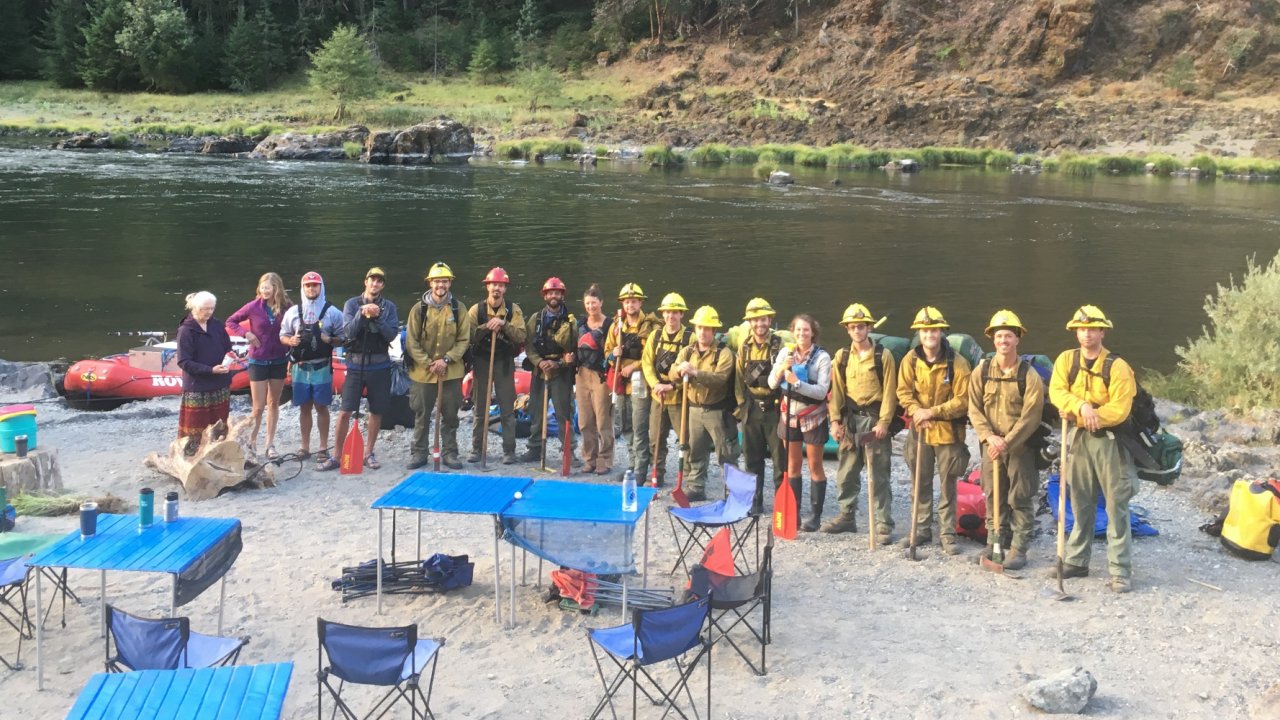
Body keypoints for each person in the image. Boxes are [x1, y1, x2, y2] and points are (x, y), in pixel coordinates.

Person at [1048, 305, 1137, 593]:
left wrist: (1090, 416)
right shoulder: (1065, 360)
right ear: (1076, 332)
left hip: (1110, 440)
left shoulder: (1118, 367)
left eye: (1092, 329)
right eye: (1081, 329)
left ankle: (1120, 570)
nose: (1086, 334)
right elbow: (1057, 391)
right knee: (1081, 499)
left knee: (1116, 504)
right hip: (1079, 438)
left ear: (1102, 331)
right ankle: (1076, 559)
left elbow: (1121, 409)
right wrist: (1081, 407)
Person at [968, 310, 1044, 570]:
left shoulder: (1029, 375)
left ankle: (1019, 548)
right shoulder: (982, 371)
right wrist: (989, 437)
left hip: (1020, 447)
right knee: (993, 494)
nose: (1004, 341)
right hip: (990, 446)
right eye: (999, 335)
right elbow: (974, 408)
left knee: (1020, 496)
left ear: (1017, 339)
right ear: (993, 339)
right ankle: (995, 540)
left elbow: (1030, 416)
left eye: (1009, 336)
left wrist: (1006, 441)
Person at [896, 306, 972, 555]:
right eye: (924, 330)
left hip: (948, 432)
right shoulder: (910, 360)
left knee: (948, 483)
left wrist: (933, 412)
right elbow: (903, 392)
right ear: (918, 332)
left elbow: (963, 399)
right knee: (920, 482)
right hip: (920, 430)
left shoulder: (957, 363)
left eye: (934, 329)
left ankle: (947, 533)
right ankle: (920, 529)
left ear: (941, 331)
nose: (929, 334)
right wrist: (917, 411)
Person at [824, 303, 899, 541]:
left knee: (878, 474)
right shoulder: (842, 356)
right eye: (853, 327)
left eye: (861, 326)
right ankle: (847, 516)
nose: (857, 331)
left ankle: (883, 523)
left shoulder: (883, 356)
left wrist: (885, 423)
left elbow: (890, 392)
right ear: (847, 329)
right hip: (850, 421)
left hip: (875, 420)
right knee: (846, 472)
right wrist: (835, 421)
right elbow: (836, 391)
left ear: (869, 327)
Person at [330, 267, 400, 471]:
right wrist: (362, 314)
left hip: (380, 365)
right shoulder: (351, 304)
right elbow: (349, 332)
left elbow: (391, 336)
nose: (375, 284)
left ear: (382, 285)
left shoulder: (389, 307)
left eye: (379, 281)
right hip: (355, 365)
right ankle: (337, 454)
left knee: (376, 411)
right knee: (345, 411)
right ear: (365, 282)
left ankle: (369, 452)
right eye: (372, 280)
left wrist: (377, 317)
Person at [405, 262, 472, 470]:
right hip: (423, 373)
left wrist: (446, 360)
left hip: (451, 372)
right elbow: (411, 342)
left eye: (444, 281)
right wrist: (429, 363)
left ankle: (450, 453)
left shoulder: (459, 309)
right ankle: (419, 453)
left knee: (451, 415)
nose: (440, 285)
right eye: (436, 281)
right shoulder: (418, 310)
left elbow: (463, 340)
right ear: (430, 283)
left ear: (450, 283)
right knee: (422, 414)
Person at [769, 314, 832, 532]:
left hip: (813, 416)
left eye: (806, 330)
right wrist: (780, 369)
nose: (801, 334)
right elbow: (771, 383)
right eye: (797, 330)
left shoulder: (823, 358)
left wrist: (797, 383)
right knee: (792, 466)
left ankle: (815, 516)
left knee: (815, 465)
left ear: (813, 332)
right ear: (792, 332)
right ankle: (793, 513)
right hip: (789, 416)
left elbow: (822, 391)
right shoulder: (785, 353)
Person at [279, 272, 344, 469]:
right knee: (304, 407)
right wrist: (290, 340)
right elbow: (283, 335)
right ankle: (305, 447)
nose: (311, 289)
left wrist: (330, 340)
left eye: (315, 285)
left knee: (322, 407)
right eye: (307, 285)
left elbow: (344, 337)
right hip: (300, 368)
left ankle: (323, 447)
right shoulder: (292, 312)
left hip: (322, 367)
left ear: (321, 287)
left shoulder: (333, 312)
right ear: (302, 288)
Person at [672, 306, 737, 501]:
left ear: (714, 331)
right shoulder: (687, 351)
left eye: (707, 328)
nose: (702, 332)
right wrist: (679, 370)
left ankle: (733, 491)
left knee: (726, 453)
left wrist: (695, 373)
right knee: (695, 451)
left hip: (717, 411)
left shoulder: (724, 354)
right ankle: (696, 487)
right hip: (693, 409)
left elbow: (720, 379)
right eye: (699, 327)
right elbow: (672, 373)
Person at [225, 272, 292, 460]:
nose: (264, 290)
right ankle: (252, 442)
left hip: (279, 359)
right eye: (262, 287)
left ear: (276, 288)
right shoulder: (253, 306)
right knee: (258, 407)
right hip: (258, 360)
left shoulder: (287, 307)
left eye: (268, 287)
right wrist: (246, 334)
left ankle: (270, 444)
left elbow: (297, 323)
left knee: (273, 404)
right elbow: (231, 321)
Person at [466, 267, 526, 465]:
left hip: (504, 362)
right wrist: (487, 326)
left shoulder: (513, 309)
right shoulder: (477, 310)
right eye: (493, 284)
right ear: (487, 286)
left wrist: (503, 324)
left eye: (500, 285)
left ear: (505, 288)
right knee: (480, 407)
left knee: (507, 408)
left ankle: (509, 450)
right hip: (482, 361)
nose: (496, 289)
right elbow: (467, 336)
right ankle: (477, 448)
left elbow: (521, 335)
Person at [735, 298, 787, 514]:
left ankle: (782, 503)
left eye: (763, 319)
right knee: (752, 457)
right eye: (755, 320)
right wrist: (740, 406)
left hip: (775, 408)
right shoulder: (744, 347)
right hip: (752, 407)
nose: (759, 324)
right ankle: (755, 501)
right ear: (750, 322)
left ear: (770, 320)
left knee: (779, 460)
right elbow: (738, 379)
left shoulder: (780, 345)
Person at [604, 283, 660, 480]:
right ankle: (632, 463)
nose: (630, 305)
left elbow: (651, 355)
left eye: (634, 301)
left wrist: (633, 366)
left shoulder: (651, 327)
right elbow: (607, 353)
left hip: (640, 382)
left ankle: (641, 469)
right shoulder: (616, 326)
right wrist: (613, 354)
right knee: (626, 424)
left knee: (639, 425)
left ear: (640, 302)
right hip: (621, 384)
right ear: (622, 304)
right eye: (627, 302)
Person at [519, 278, 578, 463]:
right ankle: (535, 448)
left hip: (561, 373)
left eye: (557, 293)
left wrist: (559, 363)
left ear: (562, 295)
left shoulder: (571, 320)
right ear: (545, 295)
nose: (554, 296)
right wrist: (539, 362)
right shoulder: (535, 319)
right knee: (536, 411)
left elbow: (574, 349)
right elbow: (529, 346)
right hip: (540, 371)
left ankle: (569, 450)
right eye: (550, 293)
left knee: (564, 412)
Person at [642, 293, 693, 487]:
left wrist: (672, 386)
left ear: (681, 314)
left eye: (675, 312)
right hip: (658, 395)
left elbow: (693, 367)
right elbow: (647, 364)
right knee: (655, 438)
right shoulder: (655, 337)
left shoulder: (690, 338)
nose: (671, 316)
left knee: (685, 439)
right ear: (663, 315)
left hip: (680, 396)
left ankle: (688, 477)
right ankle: (657, 474)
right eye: (667, 312)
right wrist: (655, 384)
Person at [176, 291, 233, 444]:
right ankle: (191, 457)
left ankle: (219, 454)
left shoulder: (216, 324)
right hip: (197, 386)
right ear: (194, 308)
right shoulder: (186, 330)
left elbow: (227, 346)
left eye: (211, 308)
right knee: (195, 429)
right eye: (204, 309)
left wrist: (231, 358)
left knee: (220, 425)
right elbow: (183, 361)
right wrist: (210, 370)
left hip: (220, 383)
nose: (208, 312)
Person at [575, 284, 615, 474]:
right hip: (581, 374)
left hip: (601, 376)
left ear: (601, 303)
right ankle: (589, 458)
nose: (591, 307)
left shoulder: (610, 325)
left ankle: (605, 459)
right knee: (584, 420)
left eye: (594, 303)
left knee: (602, 420)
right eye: (588, 303)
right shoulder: (580, 324)